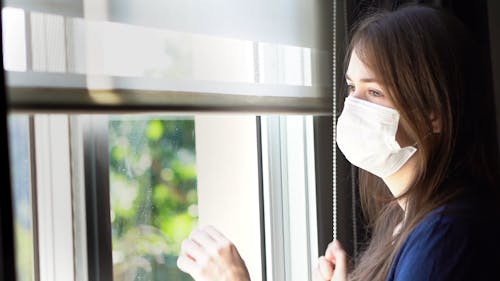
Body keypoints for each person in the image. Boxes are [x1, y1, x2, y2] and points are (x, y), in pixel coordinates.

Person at [177, 4, 500, 281]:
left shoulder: (445, 237)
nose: (353, 107)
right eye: (351, 88)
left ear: (434, 115)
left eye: (374, 93)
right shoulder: (403, 217)